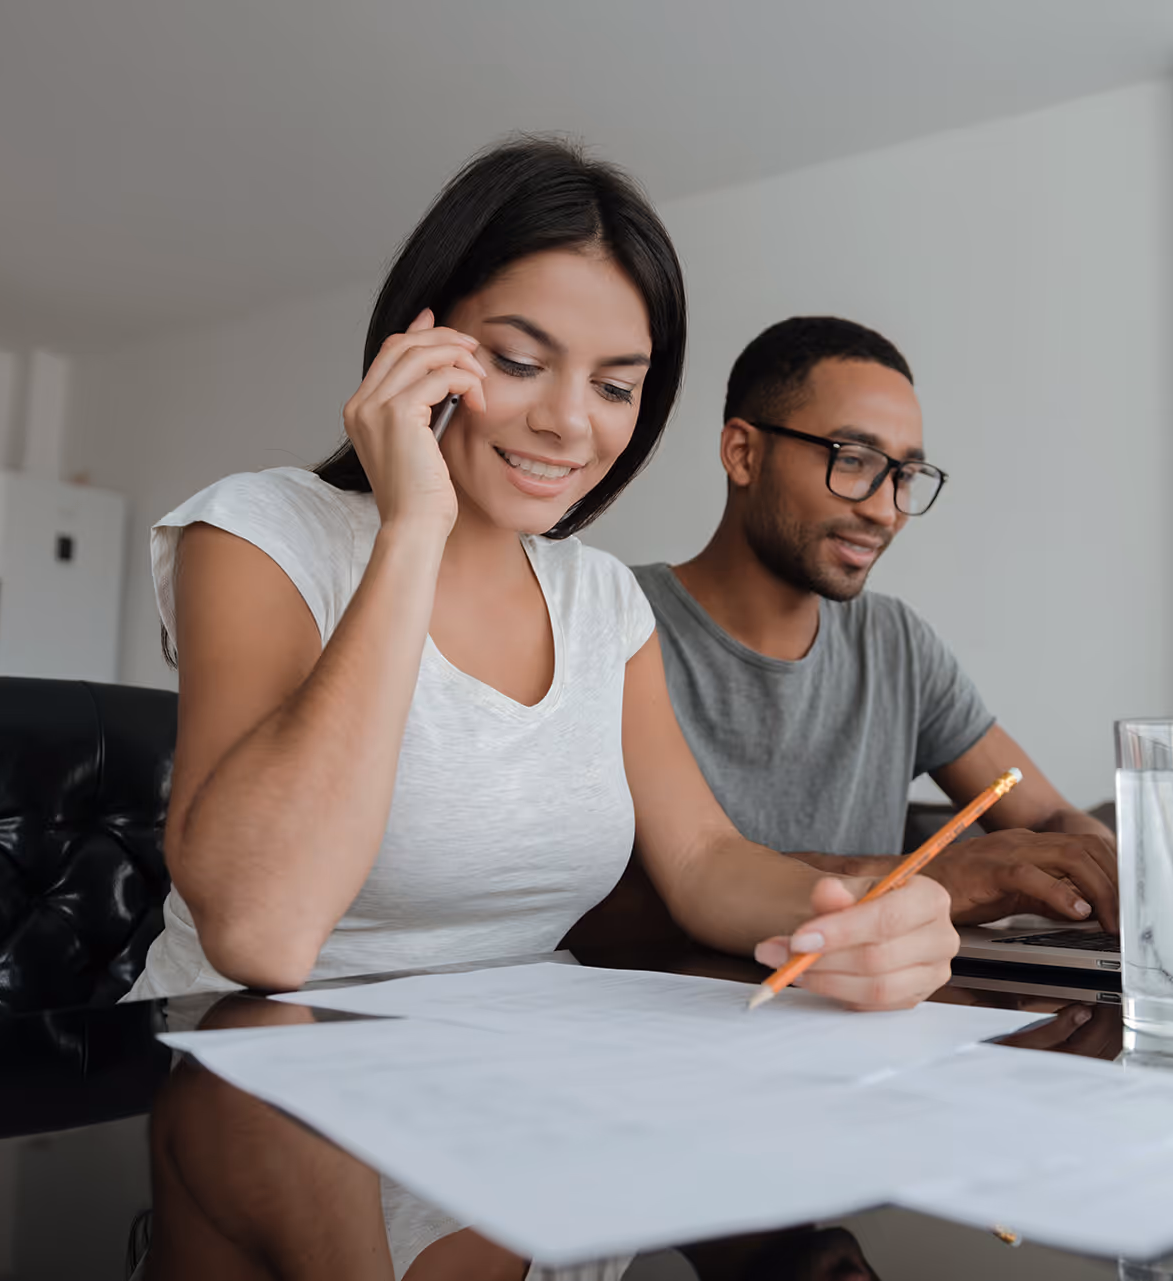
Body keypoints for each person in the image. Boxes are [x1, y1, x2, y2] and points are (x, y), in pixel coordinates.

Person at [125, 142, 959, 1280]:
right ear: (417, 345)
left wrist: (861, 911)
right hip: (256, 1097)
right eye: (521, 361)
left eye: (617, 386)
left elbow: (705, 859)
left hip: (513, 1100)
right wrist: (412, 528)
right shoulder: (262, 536)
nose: (574, 424)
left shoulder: (600, 596)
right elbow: (264, 938)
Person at [630, 316, 1119, 935]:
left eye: (906, 476)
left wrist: (1108, 869)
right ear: (743, 453)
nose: (885, 510)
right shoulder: (618, 621)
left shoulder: (895, 644)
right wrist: (936, 878)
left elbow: (1049, 817)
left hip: (869, 1016)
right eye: (853, 459)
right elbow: (626, 893)